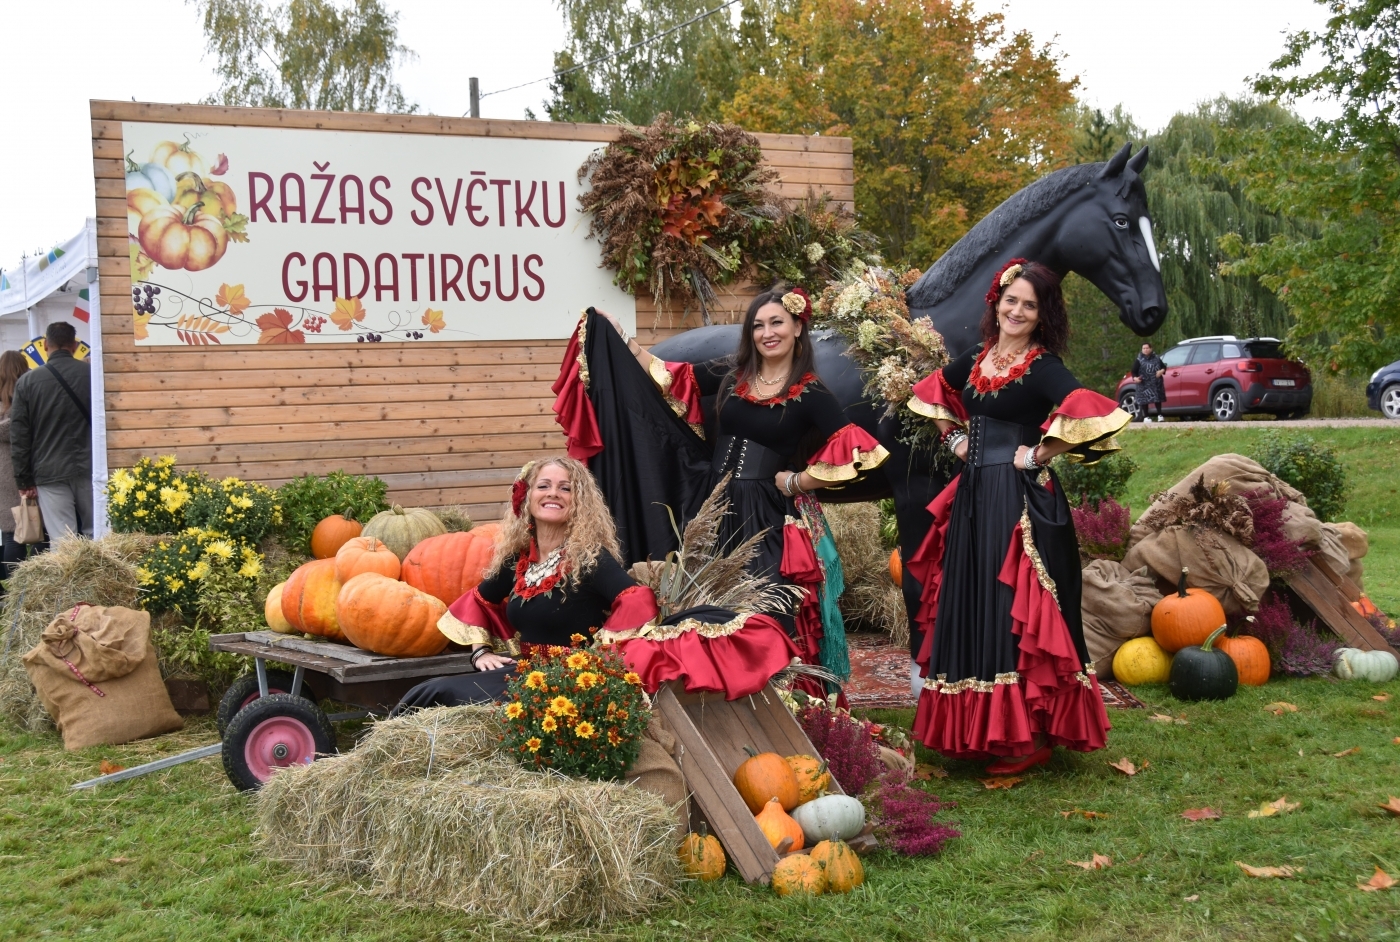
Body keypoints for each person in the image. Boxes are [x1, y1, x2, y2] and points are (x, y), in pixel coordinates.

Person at [578, 286, 889, 693]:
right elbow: (672, 376)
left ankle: (788, 706)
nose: (767, 333)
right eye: (758, 325)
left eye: (777, 322)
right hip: (714, 505)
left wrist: (798, 481)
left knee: (765, 607)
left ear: (798, 327)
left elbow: (859, 448)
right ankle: (720, 701)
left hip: (766, 515)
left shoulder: (810, 392)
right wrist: (622, 337)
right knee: (705, 604)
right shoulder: (734, 373)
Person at [904, 259, 1128, 774]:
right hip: (975, 494)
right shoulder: (980, 358)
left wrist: (1037, 454)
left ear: (1043, 314)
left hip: (1016, 499)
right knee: (974, 598)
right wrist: (955, 439)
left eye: (1030, 304)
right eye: (1011, 300)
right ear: (997, 303)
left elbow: (1083, 407)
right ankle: (979, 735)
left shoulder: (1043, 366)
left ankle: (1026, 739)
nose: (1017, 311)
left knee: (1010, 606)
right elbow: (933, 390)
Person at [394, 456, 798, 711]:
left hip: (566, 680)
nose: (554, 493)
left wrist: (597, 656)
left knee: (444, 695)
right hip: (524, 671)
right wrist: (480, 650)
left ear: (578, 502)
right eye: (544, 485)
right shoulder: (518, 560)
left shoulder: (588, 558)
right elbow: (480, 601)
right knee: (431, 689)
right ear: (527, 498)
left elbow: (636, 600)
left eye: (565, 488)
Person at [11, 322, 91, 539]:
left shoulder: (27, 382)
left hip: (49, 469)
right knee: (98, 533)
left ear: (46, 345)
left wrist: (23, 479)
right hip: (91, 466)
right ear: (74, 346)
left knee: (62, 540)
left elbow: (19, 435)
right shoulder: (92, 375)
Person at [0, 351, 34, 578]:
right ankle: (35, 587)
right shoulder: (30, 396)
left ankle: (14, 589)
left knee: (12, 533)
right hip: (29, 470)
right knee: (38, 529)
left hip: (3, 474)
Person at [1131, 341, 1167, 421]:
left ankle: (1160, 415)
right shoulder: (1139, 360)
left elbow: (1164, 367)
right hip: (1144, 383)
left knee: (1157, 398)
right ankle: (1146, 416)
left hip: (1155, 382)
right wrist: (1135, 378)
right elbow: (1133, 371)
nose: (1145, 350)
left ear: (1151, 349)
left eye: (1147, 348)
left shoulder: (1157, 358)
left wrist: (1161, 371)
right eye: (1144, 348)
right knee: (1144, 399)